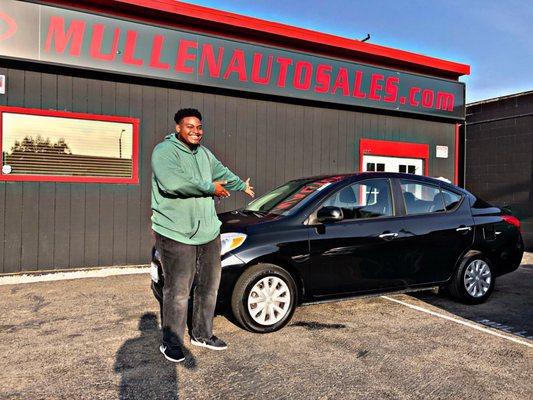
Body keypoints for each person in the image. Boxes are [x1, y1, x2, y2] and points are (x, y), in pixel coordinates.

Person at [151, 108, 254, 363]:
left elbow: (222, 172)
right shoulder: (164, 152)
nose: (196, 131)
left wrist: (240, 184)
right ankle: (171, 343)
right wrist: (211, 188)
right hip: (175, 232)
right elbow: (173, 184)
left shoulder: (205, 154)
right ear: (178, 128)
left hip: (208, 231)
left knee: (209, 286)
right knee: (177, 290)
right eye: (190, 126)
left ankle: (202, 334)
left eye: (199, 127)